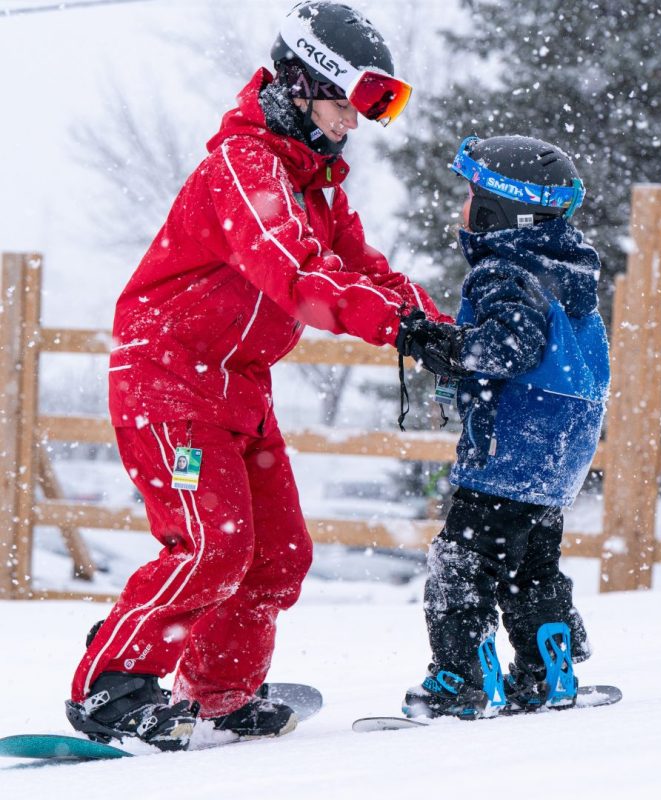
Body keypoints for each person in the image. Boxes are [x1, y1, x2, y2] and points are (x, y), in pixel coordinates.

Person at [66, 1, 449, 751]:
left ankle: (219, 691)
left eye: (367, 109)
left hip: (239, 386)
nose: (354, 123)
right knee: (210, 545)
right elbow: (298, 273)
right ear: (303, 85)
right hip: (168, 379)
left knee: (278, 555)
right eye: (347, 103)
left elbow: (367, 272)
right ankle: (112, 685)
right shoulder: (244, 168)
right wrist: (394, 325)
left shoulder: (317, 187)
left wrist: (442, 331)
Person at [396, 134, 610, 719]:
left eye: (471, 197)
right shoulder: (567, 267)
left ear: (499, 210)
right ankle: (547, 674)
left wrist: (448, 346)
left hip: (512, 445)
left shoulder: (504, 270)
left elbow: (509, 346)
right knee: (530, 566)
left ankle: (459, 679)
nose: (463, 208)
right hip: (560, 451)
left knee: (461, 563)